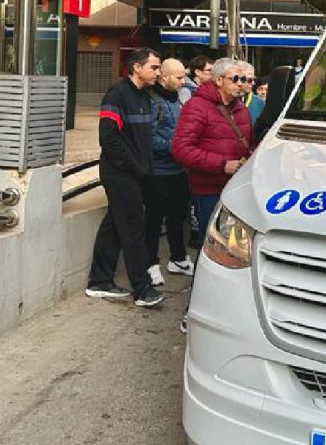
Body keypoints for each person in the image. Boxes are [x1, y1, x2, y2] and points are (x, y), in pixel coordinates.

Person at [85, 47, 165, 308]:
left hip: (137, 173)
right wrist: (135, 167)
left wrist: (146, 168)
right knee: (133, 228)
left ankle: (99, 281)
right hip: (120, 174)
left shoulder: (145, 97)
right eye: (153, 67)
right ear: (136, 68)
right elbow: (108, 138)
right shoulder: (117, 95)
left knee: (114, 226)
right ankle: (142, 289)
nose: (158, 72)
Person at [172, 57, 254, 254]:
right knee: (212, 246)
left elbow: (246, 142)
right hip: (208, 190)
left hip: (237, 188)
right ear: (218, 80)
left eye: (244, 79)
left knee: (235, 248)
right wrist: (222, 164)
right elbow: (181, 149)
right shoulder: (197, 106)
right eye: (235, 79)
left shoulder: (241, 108)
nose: (241, 84)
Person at [144, 58, 194, 286]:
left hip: (178, 170)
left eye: (184, 76)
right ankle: (150, 264)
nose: (184, 81)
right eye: (179, 77)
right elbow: (149, 138)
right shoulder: (152, 101)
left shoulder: (180, 100)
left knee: (177, 217)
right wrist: (178, 147)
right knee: (154, 220)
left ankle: (178, 258)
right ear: (164, 76)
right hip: (158, 172)